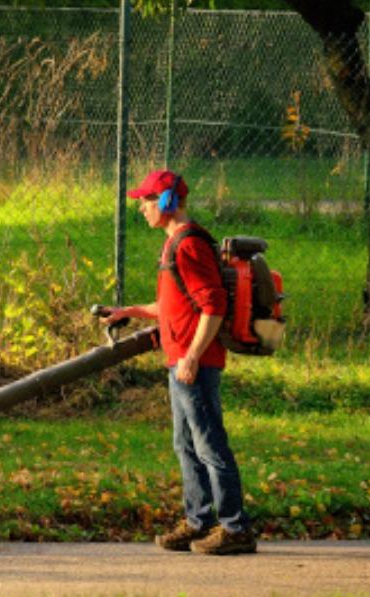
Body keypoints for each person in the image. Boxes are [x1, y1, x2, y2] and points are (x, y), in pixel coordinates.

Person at [99, 169, 256, 555]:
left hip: (194, 364)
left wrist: (191, 356)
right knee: (185, 445)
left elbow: (213, 305)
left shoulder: (187, 246)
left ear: (167, 202)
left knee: (209, 446)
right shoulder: (174, 245)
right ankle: (198, 522)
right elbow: (174, 303)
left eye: (147, 201)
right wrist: (129, 310)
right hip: (182, 361)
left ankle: (235, 528)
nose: (141, 209)